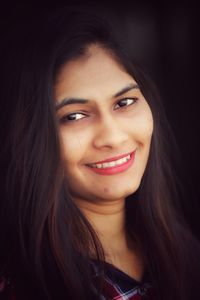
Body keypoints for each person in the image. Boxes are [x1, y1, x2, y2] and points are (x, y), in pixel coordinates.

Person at [0, 6, 200, 300]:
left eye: (124, 102)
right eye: (75, 116)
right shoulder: (20, 286)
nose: (113, 137)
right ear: (28, 138)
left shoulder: (185, 252)